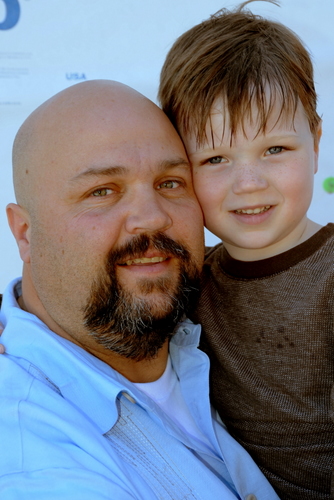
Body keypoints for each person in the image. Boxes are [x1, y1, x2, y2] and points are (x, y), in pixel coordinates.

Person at [0, 79, 279, 499]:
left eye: (170, 182)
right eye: (102, 191)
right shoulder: (32, 459)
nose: (150, 217)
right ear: (25, 233)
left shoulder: (227, 312)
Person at [158, 1, 334, 499]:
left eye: (275, 150)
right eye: (215, 158)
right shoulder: (187, 280)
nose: (249, 183)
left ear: (316, 142)